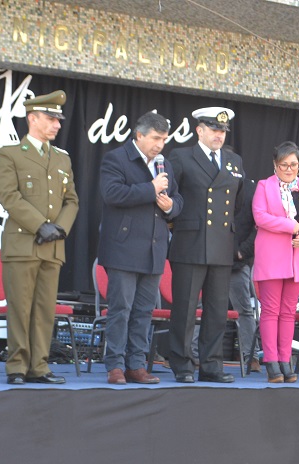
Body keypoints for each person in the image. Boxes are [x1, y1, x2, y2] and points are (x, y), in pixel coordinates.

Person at [0, 90, 79, 385]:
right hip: (22, 244)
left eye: (58, 119)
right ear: (32, 119)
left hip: (52, 246)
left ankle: (39, 366)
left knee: (44, 309)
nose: (57, 124)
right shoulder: (10, 154)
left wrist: (60, 229)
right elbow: (8, 196)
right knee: (20, 307)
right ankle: (17, 366)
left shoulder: (62, 159)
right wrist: (40, 225)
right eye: (50, 118)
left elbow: (72, 200)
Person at [98, 111, 183, 385]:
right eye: (156, 138)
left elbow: (177, 198)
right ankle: (115, 365)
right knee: (120, 308)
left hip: (155, 249)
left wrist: (172, 207)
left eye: (164, 139)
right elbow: (112, 194)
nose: (160, 144)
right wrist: (150, 188)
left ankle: (136, 364)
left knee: (144, 310)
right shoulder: (116, 158)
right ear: (139, 135)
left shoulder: (164, 164)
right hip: (123, 248)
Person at [166, 107, 245, 383]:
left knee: (217, 310)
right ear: (199, 130)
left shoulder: (234, 161)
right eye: (213, 129)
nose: (219, 135)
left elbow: (239, 204)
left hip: (221, 244)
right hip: (190, 242)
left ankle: (211, 364)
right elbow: (169, 198)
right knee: (185, 310)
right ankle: (182, 364)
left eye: (222, 130)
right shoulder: (181, 157)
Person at [251, 141, 299, 383]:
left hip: (297, 256)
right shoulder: (264, 186)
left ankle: (286, 359)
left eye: (293, 164)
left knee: (288, 312)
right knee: (271, 310)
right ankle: (271, 362)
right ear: (275, 165)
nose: (289, 169)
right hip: (271, 256)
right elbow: (260, 216)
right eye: (284, 165)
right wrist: (289, 226)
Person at [230, 177, 260, 375]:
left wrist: (242, 252)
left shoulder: (251, 188)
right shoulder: (209, 184)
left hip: (238, 262)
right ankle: (195, 355)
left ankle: (252, 357)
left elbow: (258, 225)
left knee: (245, 311)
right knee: (202, 309)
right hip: (210, 260)